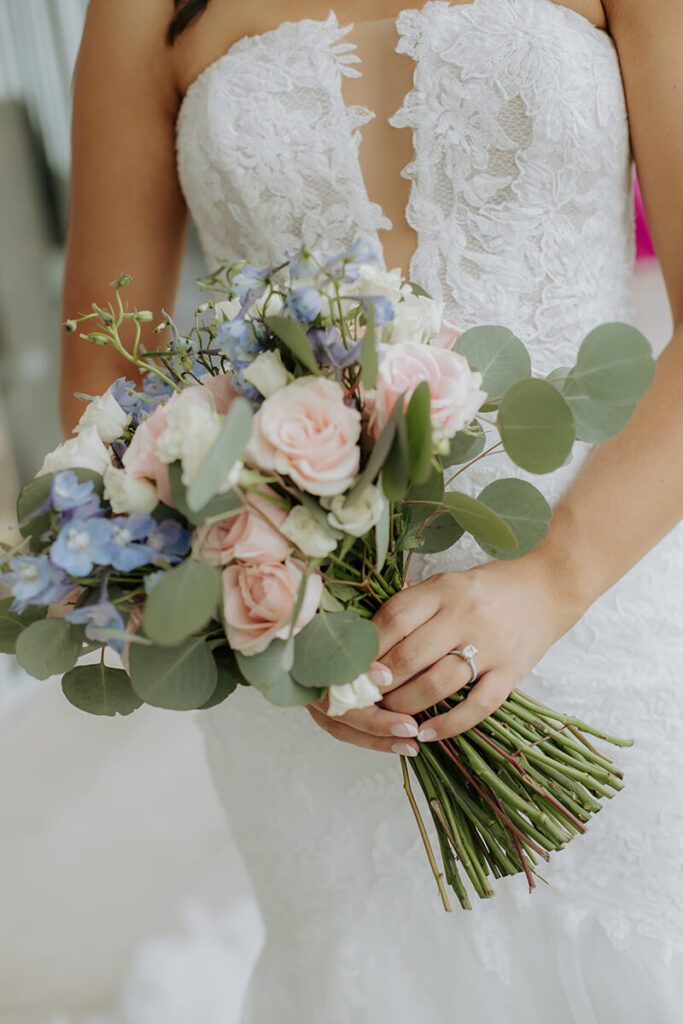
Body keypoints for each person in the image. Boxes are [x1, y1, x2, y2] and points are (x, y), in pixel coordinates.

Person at [61, 1, 683, 1020]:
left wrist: (549, 580)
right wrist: (267, 607)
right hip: (320, 667)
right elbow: (104, 390)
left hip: (608, 592)